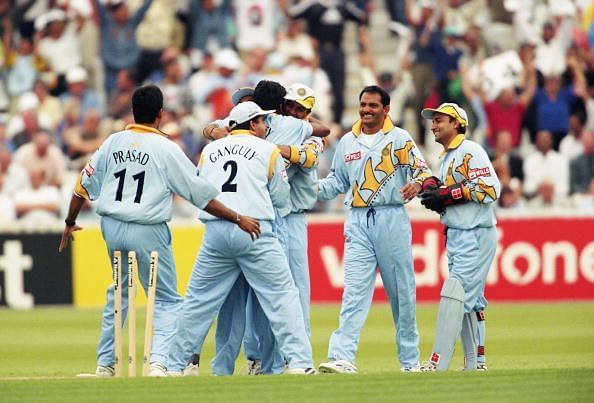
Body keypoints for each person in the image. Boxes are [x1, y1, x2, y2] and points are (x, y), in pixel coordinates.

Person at [58, 85, 260, 377]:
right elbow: (200, 195)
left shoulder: (114, 141)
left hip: (111, 227)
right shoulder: (166, 148)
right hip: (147, 228)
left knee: (119, 292)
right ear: (161, 114)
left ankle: (105, 365)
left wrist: (69, 222)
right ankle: (159, 362)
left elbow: (81, 186)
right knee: (165, 297)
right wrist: (237, 217)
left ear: (133, 112)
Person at [168, 101, 315, 376]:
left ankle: (173, 365)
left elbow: (201, 190)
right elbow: (281, 195)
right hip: (255, 229)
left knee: (197, 302)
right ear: (253, 123)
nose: (266, 126)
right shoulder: (268, 149)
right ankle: (300, 363)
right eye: (263, 121)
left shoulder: (209, 150)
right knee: (283, 296)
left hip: (216, 232)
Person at [317, 85, 432, 374]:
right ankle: (342, 356)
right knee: (354, 292)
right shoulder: (347, 142)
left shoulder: (400, 139)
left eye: (373, 105)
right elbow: (336, 182)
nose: (366, 110)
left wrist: (417, 185)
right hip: (356, 220)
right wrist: (308, 189)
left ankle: (409, 361)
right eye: (363, 105)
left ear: (386, 109)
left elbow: (424, 173)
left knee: (401, 294)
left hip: (391, 217)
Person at [418, 102, 500, 371]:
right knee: (470, 301)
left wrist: (449, 193)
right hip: (457, 233)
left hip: (474, 233)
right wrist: (435, 191)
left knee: (454, 293)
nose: (434, 125)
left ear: (457, 123)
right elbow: (452, 194)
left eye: (440, 120)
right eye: (433, 121)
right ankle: (476, 363)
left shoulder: (470, 150)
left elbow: (491, 188)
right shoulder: (447, 156)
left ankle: (437, 362)